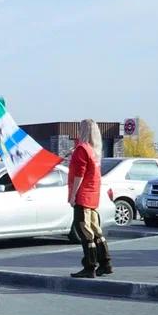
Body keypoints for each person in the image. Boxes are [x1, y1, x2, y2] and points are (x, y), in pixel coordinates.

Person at [67, 119, 111, 278]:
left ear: (83, 130)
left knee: (84, 231)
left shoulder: (82, 149)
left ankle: (90, 266)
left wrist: (73, 196)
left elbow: (79, 175)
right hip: (93, 195)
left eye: (80, 128)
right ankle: (105, 263)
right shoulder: (95, 150)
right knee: (95, 229)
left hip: (83, 195)